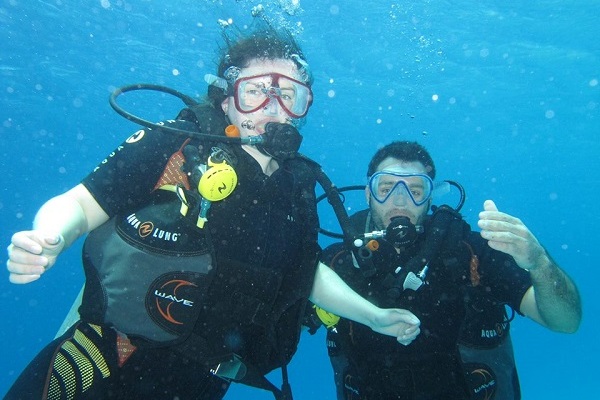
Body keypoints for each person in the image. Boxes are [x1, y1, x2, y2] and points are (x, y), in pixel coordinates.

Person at [4, 27, 421, 400]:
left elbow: (306, 273)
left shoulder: (296, 186)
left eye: (289, 94)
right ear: (227, 100)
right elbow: (79, 202)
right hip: (102, 361)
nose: (273, 108)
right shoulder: (174, 146)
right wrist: (49, 237)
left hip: (206, 382)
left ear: (304, 105)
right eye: (257, 91)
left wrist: (374, 316)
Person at [309, 141, 581, 399]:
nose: (400, 201)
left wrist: (539, 263)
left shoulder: (471, 253)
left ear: (429, 198)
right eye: (387, 188)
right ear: (369, 193)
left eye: (416, 191)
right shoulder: (336, 265)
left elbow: (566, 322)